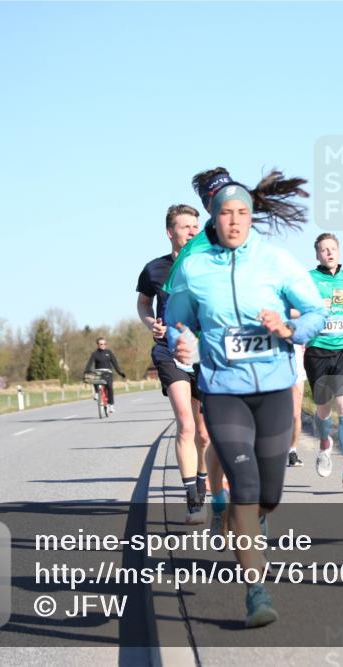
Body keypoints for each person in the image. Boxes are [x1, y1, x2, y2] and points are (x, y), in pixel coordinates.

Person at [166, 167, 326, 628]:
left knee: (269, 493)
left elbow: (316, 310)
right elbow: (179, 320)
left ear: (252, 216)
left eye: (242, 213)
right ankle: (257, 591)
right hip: (222, 390)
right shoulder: (193, 268)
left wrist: (290, 327)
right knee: (247, 487)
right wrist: (182, 340)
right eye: (225, 214)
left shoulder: (275, 261)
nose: (234, 221)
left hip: (274, 388)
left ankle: (251, 519)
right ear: (212, 219)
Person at [137, 204, 219, 525]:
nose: (193, 232)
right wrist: (151, 324)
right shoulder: (154, 269)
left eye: (196, 226)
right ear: (170, 232)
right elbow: (144, 302)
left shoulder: (210, 265)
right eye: (186, 227)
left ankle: (202, 479)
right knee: (185, 422)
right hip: (169, 351)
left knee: (205, 432)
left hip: (204, 353)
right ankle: (194, 500)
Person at [304, 233, 343, 488]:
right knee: (323, 408)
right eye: (324, 249)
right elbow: (294, 309)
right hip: (318, 350)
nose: (329, 253)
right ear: (317, 254)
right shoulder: (308, 279)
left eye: (332, 249)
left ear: (338, 252)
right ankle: (325, 443)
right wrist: (316, 306)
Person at [84, 338, 126, 413]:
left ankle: (111, 405)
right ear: (98, 345)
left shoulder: (109, 352)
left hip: (108, 372)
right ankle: (97, 393)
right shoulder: (94, 354)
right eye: (101, 344)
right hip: (99, 372)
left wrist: (120, 372)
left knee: (110, 387)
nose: (103, 345)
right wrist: (86, 371)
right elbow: (90, 363)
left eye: (104, 344)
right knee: (92, 376)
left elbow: (115, 363)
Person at [288, 342, 307, 467]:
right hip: (275, 369)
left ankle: (292, 452)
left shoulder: (298, 323)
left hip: (297, 370)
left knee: (296, 414)